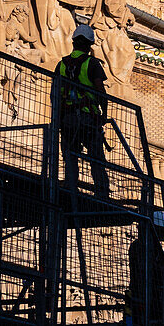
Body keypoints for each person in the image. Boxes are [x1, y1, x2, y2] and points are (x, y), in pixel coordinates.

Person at [56, 24, 109, 199]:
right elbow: (100, 89)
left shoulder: (61, 64)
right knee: (96, 157)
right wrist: (104, 113)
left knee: (70, 156)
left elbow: (55, 93)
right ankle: (102, 193)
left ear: (73, 43)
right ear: (88, 46)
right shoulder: (92, 63)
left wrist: (57, 118)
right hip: (88, 118)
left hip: (67, 118)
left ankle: (71, 188)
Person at [127, 210, 164, 326]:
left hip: (153, 298)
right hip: (140, 296)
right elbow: (142, 271)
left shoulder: (156, 250)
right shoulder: (140, 247)